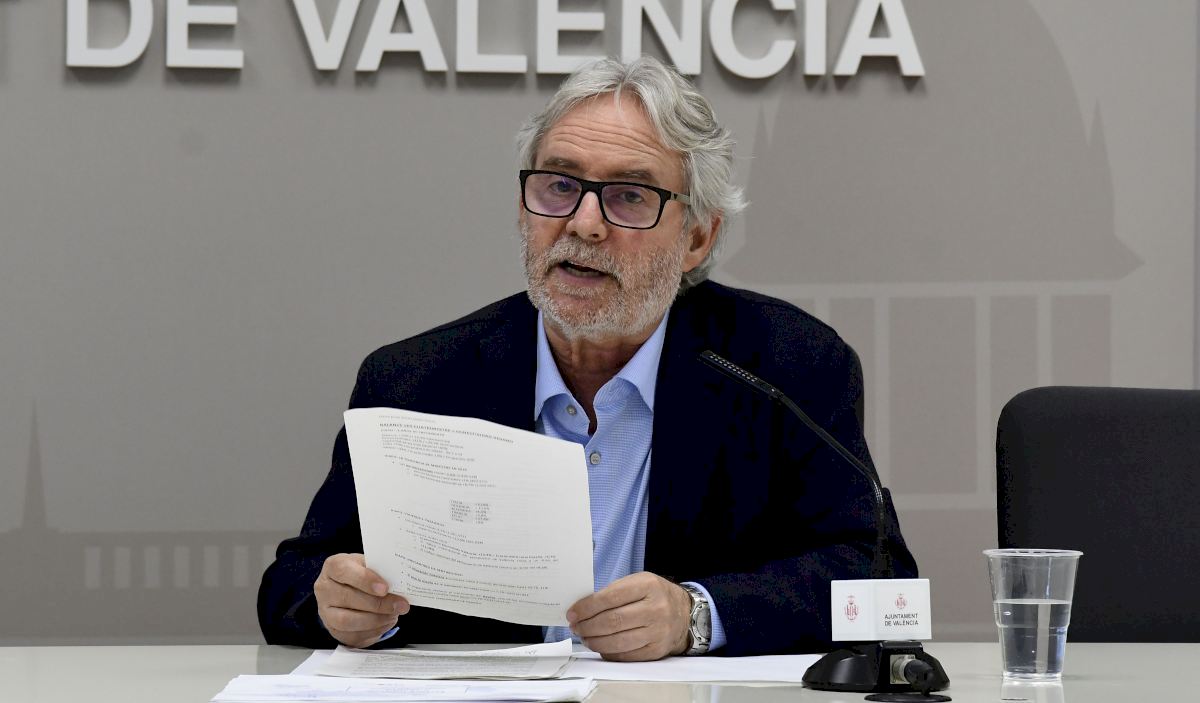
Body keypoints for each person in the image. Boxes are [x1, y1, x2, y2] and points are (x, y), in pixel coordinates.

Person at [258, 56, 916, 660]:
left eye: (629, 196)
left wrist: (696, 616)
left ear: (697, 235)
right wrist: (342, 604)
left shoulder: (784, 368)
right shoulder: (415, 381)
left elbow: (879, 575)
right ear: (524, 208)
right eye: (559, 186)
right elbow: (291, 584)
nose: (583, 223)